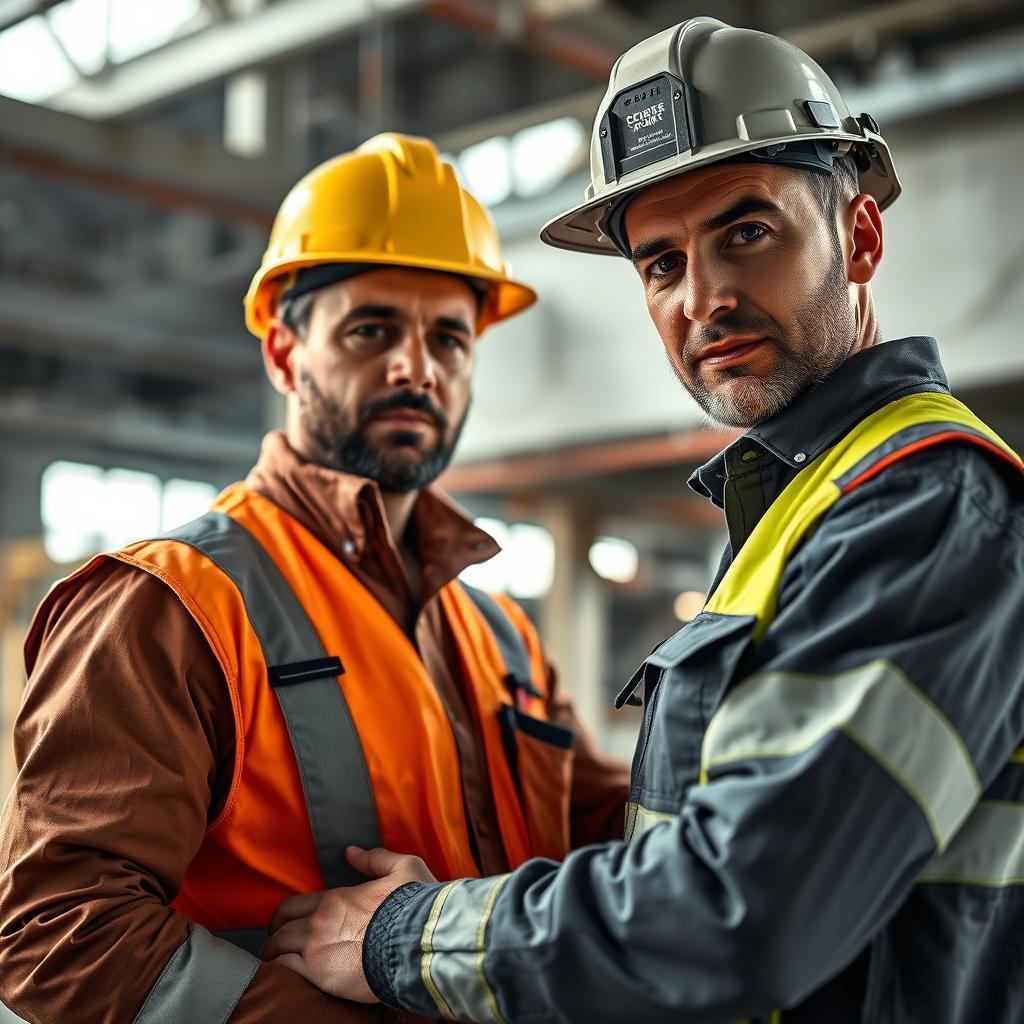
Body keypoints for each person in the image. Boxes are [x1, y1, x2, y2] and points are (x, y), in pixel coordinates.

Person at [258, 18, 1024, 1024]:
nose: (702, 297)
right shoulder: (805, 503)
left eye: (746, 232)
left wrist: (407, 935)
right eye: (660, 264)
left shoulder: (920, 508)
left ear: (861, 237)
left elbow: (738, 915)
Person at [0, 133, 629, 1024]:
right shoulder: (171, 603)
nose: (418, 365)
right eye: (373, 330)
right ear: (286, 355)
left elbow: (617, 845)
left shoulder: (501, 636)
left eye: (448, 337)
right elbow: (57, 929)